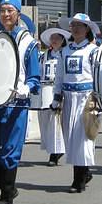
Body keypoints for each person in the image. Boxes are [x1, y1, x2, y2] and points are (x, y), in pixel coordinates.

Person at [0, 0, 39, 204]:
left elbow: (34, 77)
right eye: (2, 10)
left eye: (10, 11)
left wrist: (27, 87)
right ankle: (9, 189)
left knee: (9, 152)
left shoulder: (28, 42)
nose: (5, 14)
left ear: (18, 14)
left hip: (16, 103)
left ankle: (6, 197)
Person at [51, 14, 100, 193]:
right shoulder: (64, 51)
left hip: (87, 98)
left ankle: (78, 180)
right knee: (71, 138)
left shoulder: (94, 51)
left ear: (87, 29)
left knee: (84, 138)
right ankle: (85, 172)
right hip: (69, 98)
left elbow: (98, 76)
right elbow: (59, 76)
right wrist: (57, 97)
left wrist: (98, 99)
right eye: (74, 25)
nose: (76, 28)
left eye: (80, 25)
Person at [38, 26, 69, 165]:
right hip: (45, 89)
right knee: (44, 120)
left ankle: (55, 153)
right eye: (53, 38)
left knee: (55, 120)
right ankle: (52, 148)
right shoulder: (43, 55)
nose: (54, 40)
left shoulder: (65, 54)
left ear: (63, 40)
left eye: (57, 38)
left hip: (58, 89)